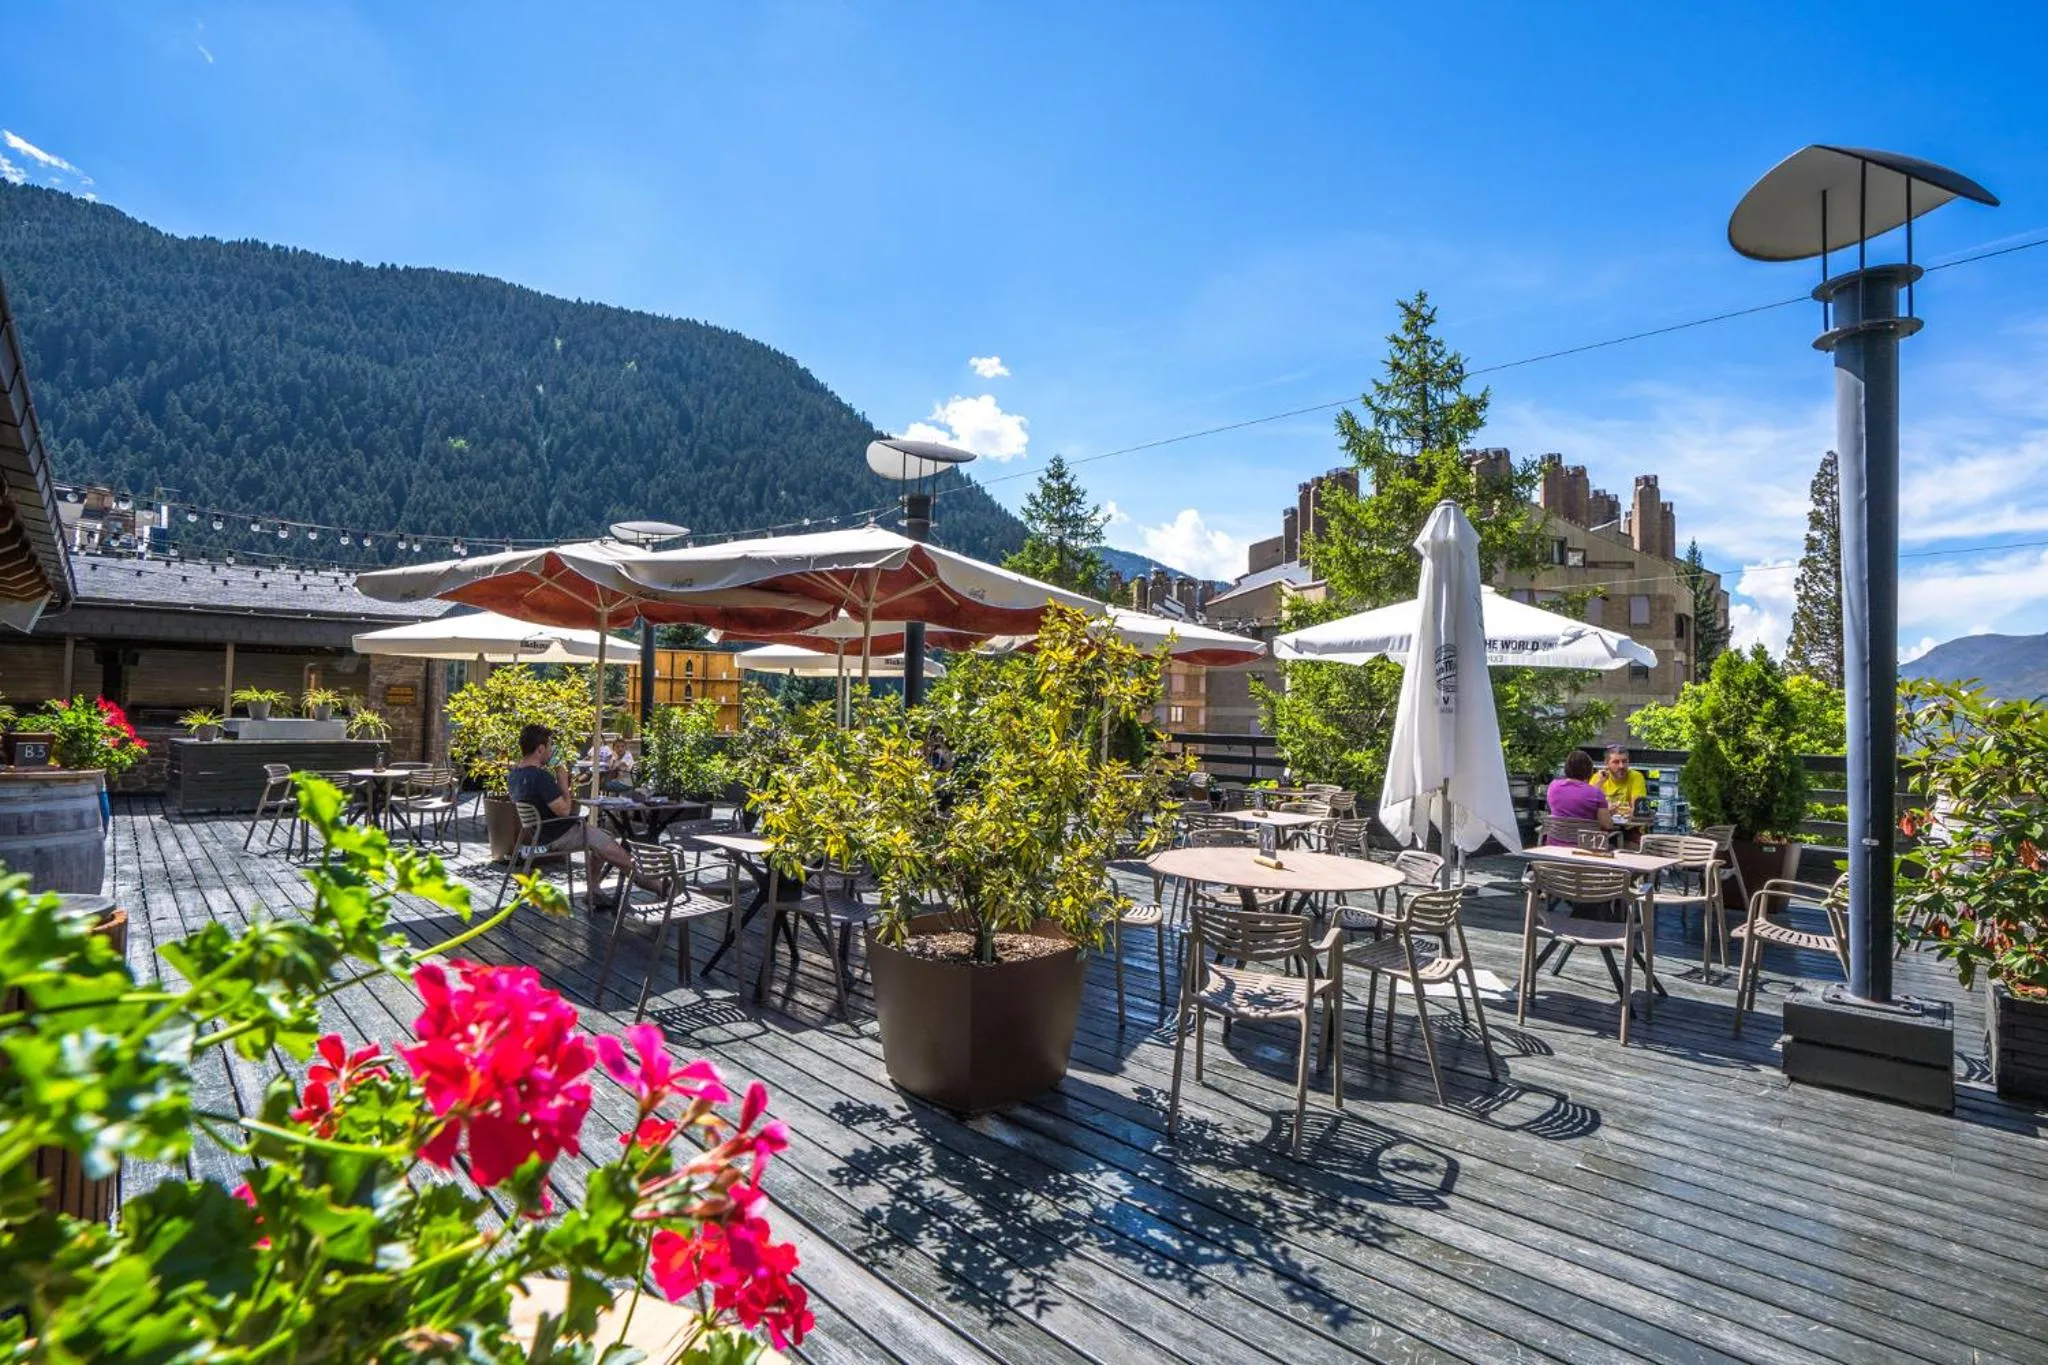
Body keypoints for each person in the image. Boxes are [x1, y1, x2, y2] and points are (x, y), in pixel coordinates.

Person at [506, 723, 648, 910]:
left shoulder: (514, 775)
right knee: (612, 847)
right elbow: (564, 810)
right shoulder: (539, 777)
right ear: (540, 749)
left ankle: (594, 891)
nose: (550, 751)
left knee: (604, 838)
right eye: (549, 747)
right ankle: (653, 883)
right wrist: (562, 779)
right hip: (558, 834)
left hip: (538, 835)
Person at [1545, 749, 1613, 844]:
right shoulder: (1596, 793)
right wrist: (1609, 812)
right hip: (1585, 850)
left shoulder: (1553, 786)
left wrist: (1599, 782)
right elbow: (1607, 825)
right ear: (1589, 770)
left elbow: (1579, 795)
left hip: (1555, 848)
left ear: (1566, 768)